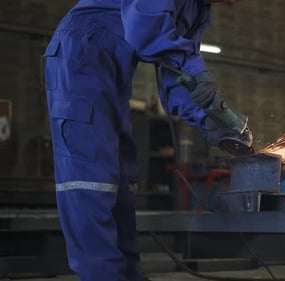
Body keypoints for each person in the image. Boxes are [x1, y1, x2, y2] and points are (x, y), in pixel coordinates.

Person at [43, 0, 252, 280]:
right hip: (81, 54)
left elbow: (177, 76)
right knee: (91, 175)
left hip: (113, 65)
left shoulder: (198, 10)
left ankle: (127, 274)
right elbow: (146, 26)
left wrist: (212, 122)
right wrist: (197, 71)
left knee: (120, 172)